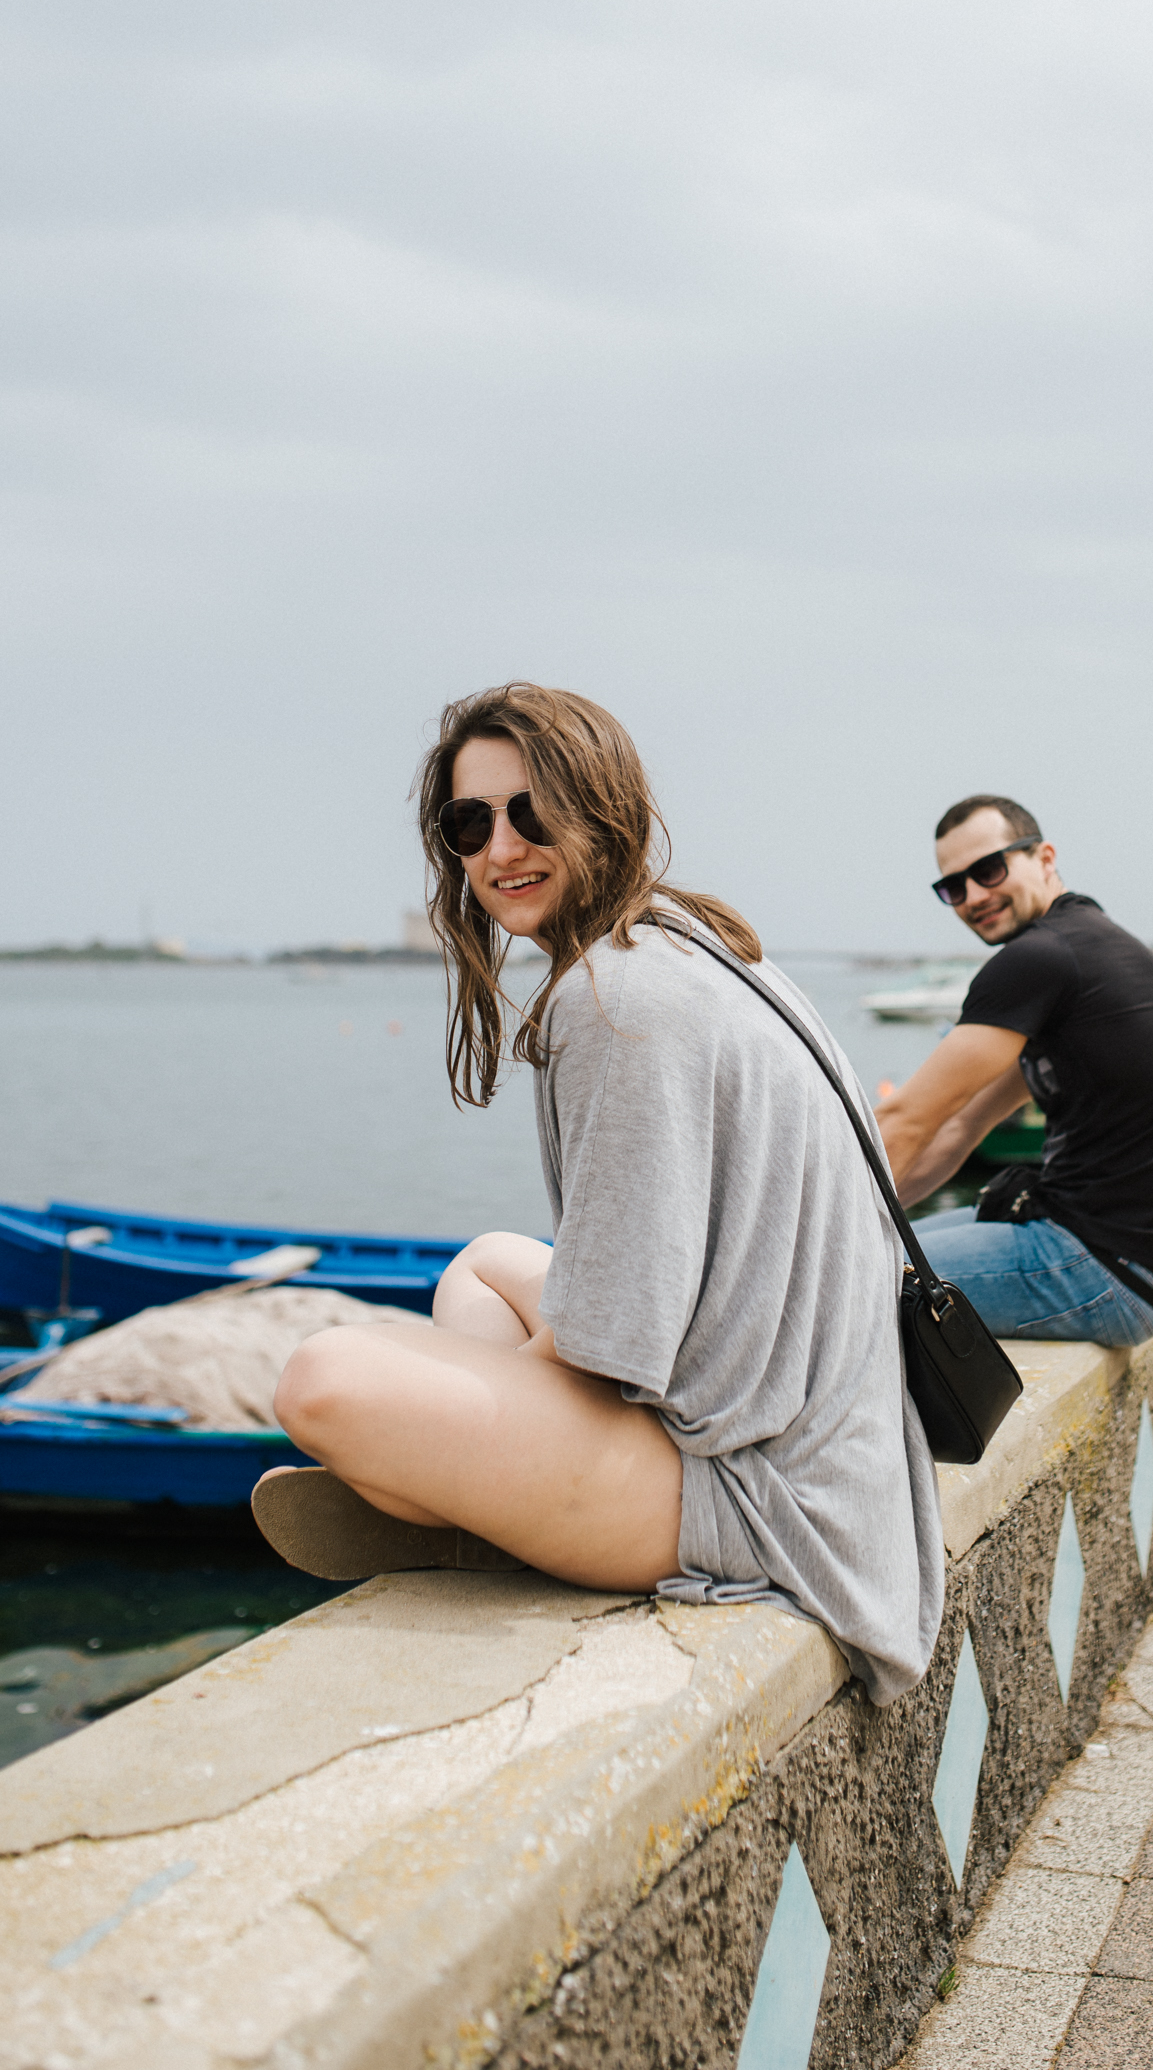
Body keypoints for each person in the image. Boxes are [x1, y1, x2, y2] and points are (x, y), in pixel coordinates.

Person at [256, 682, 942, 1705]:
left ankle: (485, 1516)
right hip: (833, 1456)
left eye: (531, 812)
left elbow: (611, 1346)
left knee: (322, 1378)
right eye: (469, 823)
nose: (500, 849)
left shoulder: (613, 1002)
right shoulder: (688, 939)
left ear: (602, 808)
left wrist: (460, 1441)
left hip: (765, 1502)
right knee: (486, 1264)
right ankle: (494, 1501)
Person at [874, 795, 1153, 1349]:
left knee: (851, 1279)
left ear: (1045, 858)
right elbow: (959, 1126)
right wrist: (865, 1225)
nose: (974, 896)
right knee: (876, 1248)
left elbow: (906, 1117)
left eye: (989, 870)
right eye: (954, 887)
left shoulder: (1042, 957)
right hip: (1127, 1258)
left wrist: (816, 1243)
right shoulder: (1083, 946)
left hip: (1102, 1267)